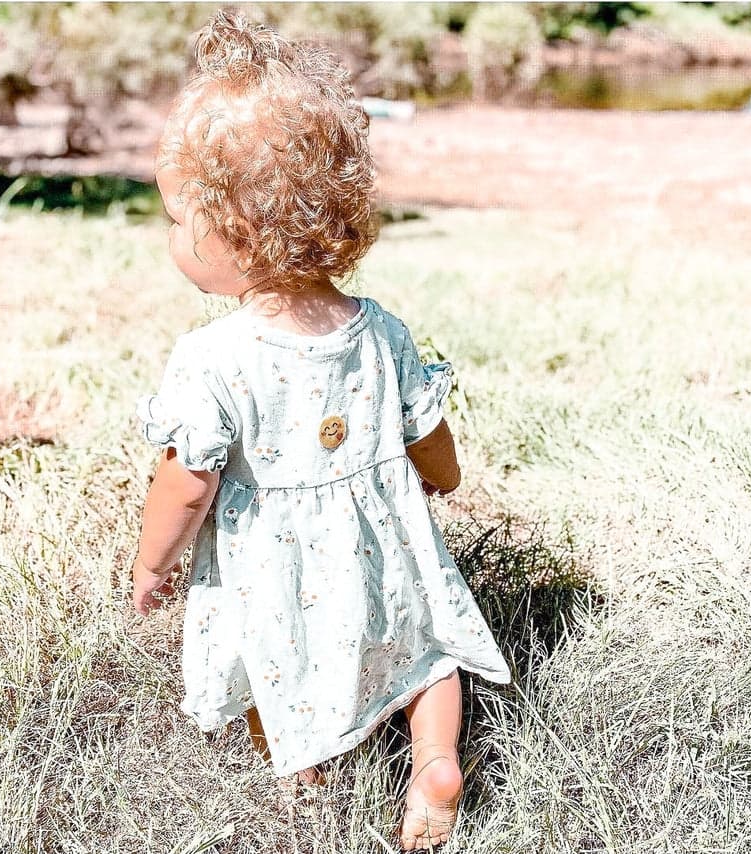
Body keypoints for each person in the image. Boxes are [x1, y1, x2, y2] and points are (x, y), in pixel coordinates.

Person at [131, 10, 511, 851]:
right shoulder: (381, 329)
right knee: (425, 651)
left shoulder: (210, 357)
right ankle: (435, 759)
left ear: (233, 234)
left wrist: (153, 565)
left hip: (278, 567)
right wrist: (442, 480)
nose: (169, 236)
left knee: (280, 668)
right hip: (390, 543)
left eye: (177, 219)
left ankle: (309, 793)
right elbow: (427, 433)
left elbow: (186, 482)